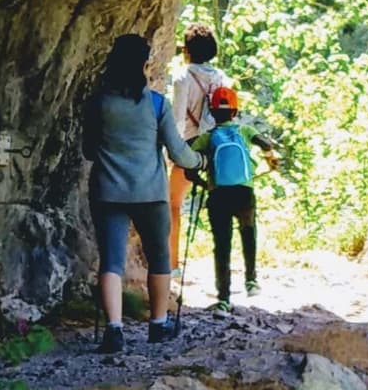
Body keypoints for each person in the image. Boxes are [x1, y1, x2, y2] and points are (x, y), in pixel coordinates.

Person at [82, 34, 203, 353]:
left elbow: (88, 151)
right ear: (143, 65)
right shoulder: (156, 104)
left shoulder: (97, 103)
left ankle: (114, 331)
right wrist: (199, 161)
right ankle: (158, 324)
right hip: (150, 192)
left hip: (108, 191)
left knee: (111, 261)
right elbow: (178, 152)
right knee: (159, 257)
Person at [186, 86, 281, 311]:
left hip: (218, 194)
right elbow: (266, 144)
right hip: (243, 192)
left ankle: (224, 299)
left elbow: (187, 164)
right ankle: (251, 280)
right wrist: (270, 160)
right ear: (235, 112)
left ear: (212, 111)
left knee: (222, 245)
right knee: (248, 233)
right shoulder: (245, 131)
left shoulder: (207, 138)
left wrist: (204, 184)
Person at [168, 24, 233, 272]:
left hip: (189, 146)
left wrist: (171, 152)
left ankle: (173, 265)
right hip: (216, 145)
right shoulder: (223, 79)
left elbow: (177, 120)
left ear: (187, 50)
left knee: (173, 203)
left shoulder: (183, 77)